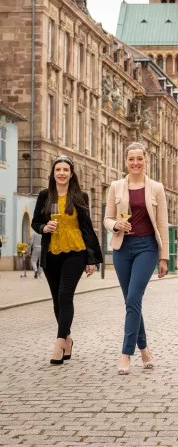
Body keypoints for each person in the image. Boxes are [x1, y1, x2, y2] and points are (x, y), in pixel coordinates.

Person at [104, 142, 169, 375]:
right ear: (126, 161)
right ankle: (144, 350)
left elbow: (162, 223)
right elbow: (107, 218)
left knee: (133, 297)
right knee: (131, 302)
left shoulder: (156, 188)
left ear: (145, 160)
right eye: (131, 159)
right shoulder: (115, 186)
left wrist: (164, 258)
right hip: (122, 247)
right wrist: (115, 225)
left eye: (139, 158)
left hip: (147, 247)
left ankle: (125, 353)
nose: (135, 162)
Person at [31, 155, 103, 365]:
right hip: (51, 252)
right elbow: (36, 222)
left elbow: (86, 228)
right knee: (56, 300)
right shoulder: (45, 196)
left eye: (65, 170)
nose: (61, 173)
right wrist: (44, 228)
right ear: (53, 174)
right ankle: (68, 339)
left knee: (65, 296)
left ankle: (59, 342)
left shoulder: (80, 196)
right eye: (58, 170)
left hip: (75, 251)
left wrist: (91, 259)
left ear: (71, 174)